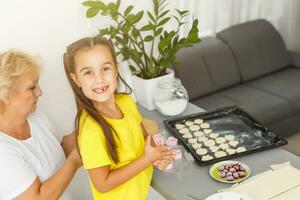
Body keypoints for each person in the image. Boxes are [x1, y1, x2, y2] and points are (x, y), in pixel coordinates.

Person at [63, 36, 175, 200]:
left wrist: (157, 155)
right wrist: (147, 159)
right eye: (88, 72)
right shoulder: (90, 130)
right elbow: (103, 184)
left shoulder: (126, 102)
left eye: (105, 68)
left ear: (116, 70)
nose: (99, 79)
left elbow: (144, 138)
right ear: (76, 79)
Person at [0, 50, 82, 200]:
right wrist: (75, 160)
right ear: (6, 95)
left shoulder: (35, 117)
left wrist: (91, 124)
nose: (40, 92)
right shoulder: (2, 149)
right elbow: (37, 198)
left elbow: (59, 151)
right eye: (32, 87)